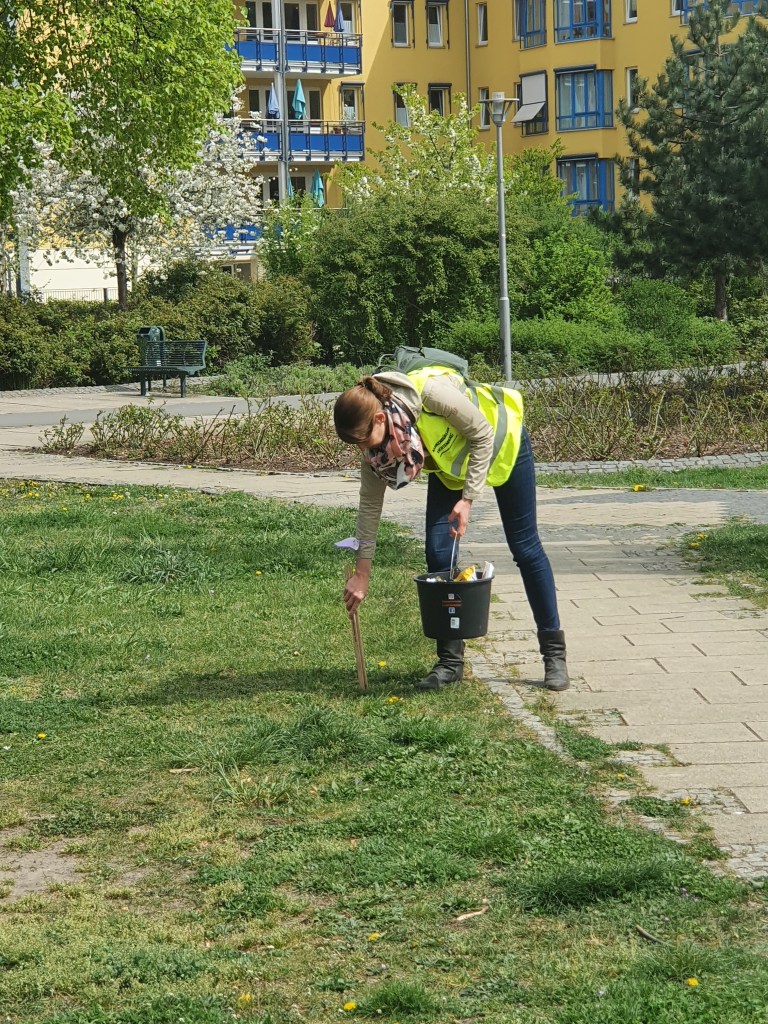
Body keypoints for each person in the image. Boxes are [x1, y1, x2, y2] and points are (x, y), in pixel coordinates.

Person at [332, 363, 569, 692]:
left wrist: (468, 499)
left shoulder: (431, 394)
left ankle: (554, 656)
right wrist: (362, 573)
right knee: (438, 552)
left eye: (362, 440)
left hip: (503, 445)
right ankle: (450, 663)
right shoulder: (375, 448)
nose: (363, 449)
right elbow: (370, 505)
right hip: (454, 470)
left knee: (525, 548)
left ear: (381, 418)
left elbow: (482, 435)